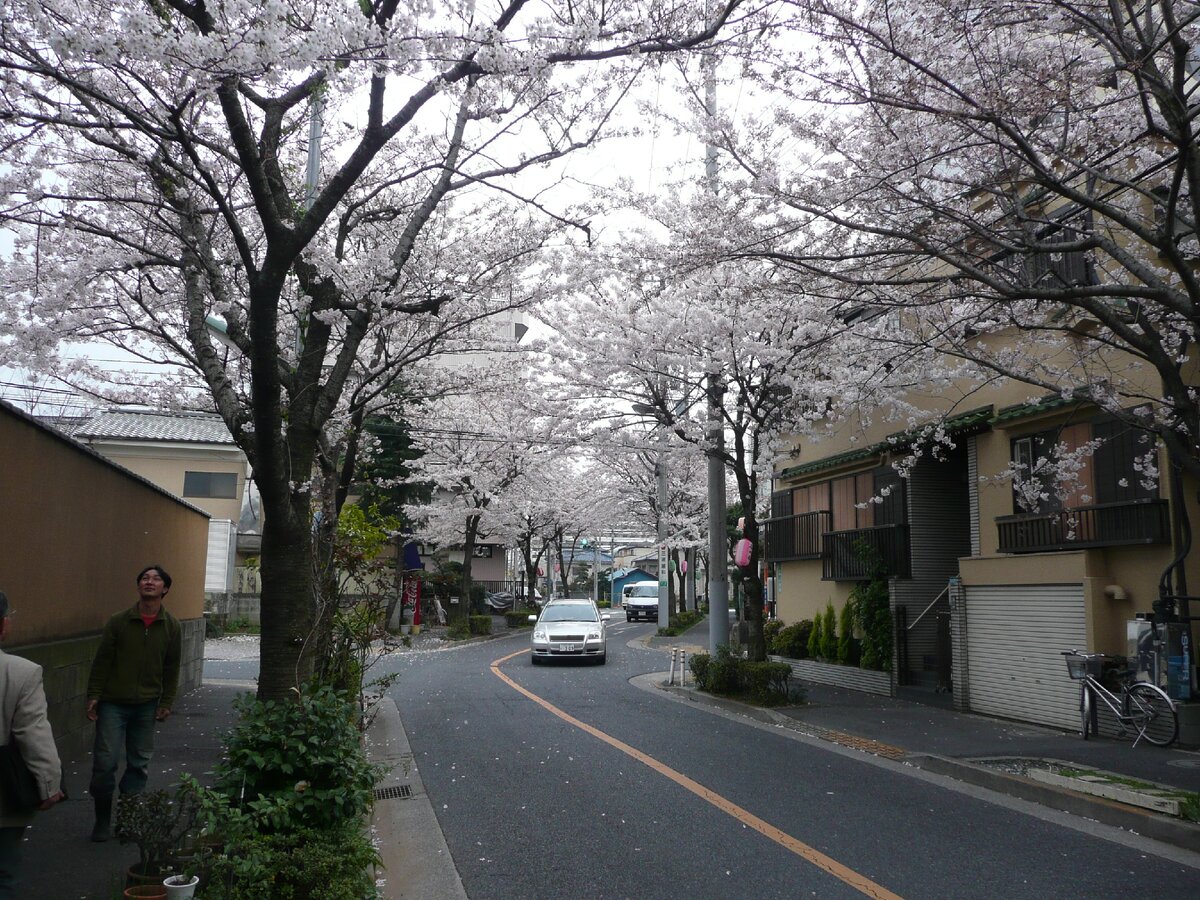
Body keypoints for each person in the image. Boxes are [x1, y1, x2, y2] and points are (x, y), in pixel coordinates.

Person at [86, 565, 182, 843]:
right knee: (104, 763)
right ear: (138, 585)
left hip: (146, 705)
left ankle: (127, 820)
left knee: (138, 764)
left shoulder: (171, 626)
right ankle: (102, 820)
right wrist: (94, 695)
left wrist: (167, 701)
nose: (149, 582)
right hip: (113, 703)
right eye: (144, 578)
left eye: (156, 579)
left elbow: (172, 667)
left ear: (165, 589)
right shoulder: (119, 621)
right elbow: (102, 660)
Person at [0, 591, 65, 898]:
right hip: (4, 794)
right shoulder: (20, 672)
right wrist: (49, 786)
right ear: (3, 626)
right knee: (4, 873)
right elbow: (33, 734)